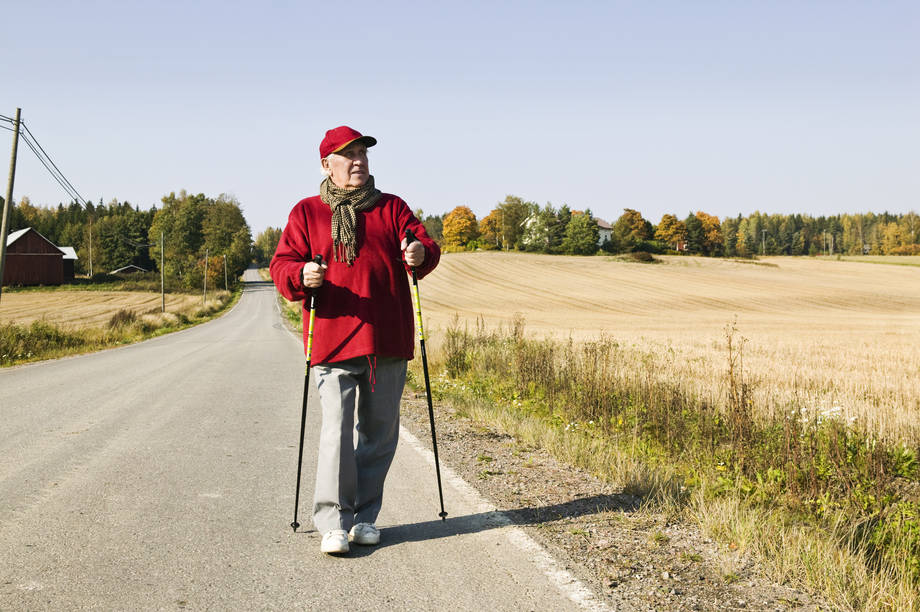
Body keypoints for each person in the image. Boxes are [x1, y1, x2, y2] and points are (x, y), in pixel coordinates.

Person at [270, 126, 440, 555]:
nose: (359, 161)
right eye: (348, 155)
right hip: (332, 340)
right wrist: (301, 274)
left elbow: (423, 246)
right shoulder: (307, 212)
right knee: (337, 431)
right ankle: (333, 522)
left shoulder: (392, 207)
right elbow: (282, 265)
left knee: (380, 434)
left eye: (362, 153)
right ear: (326, 165)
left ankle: (364, 518)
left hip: (387, 339)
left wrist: (420, 253)